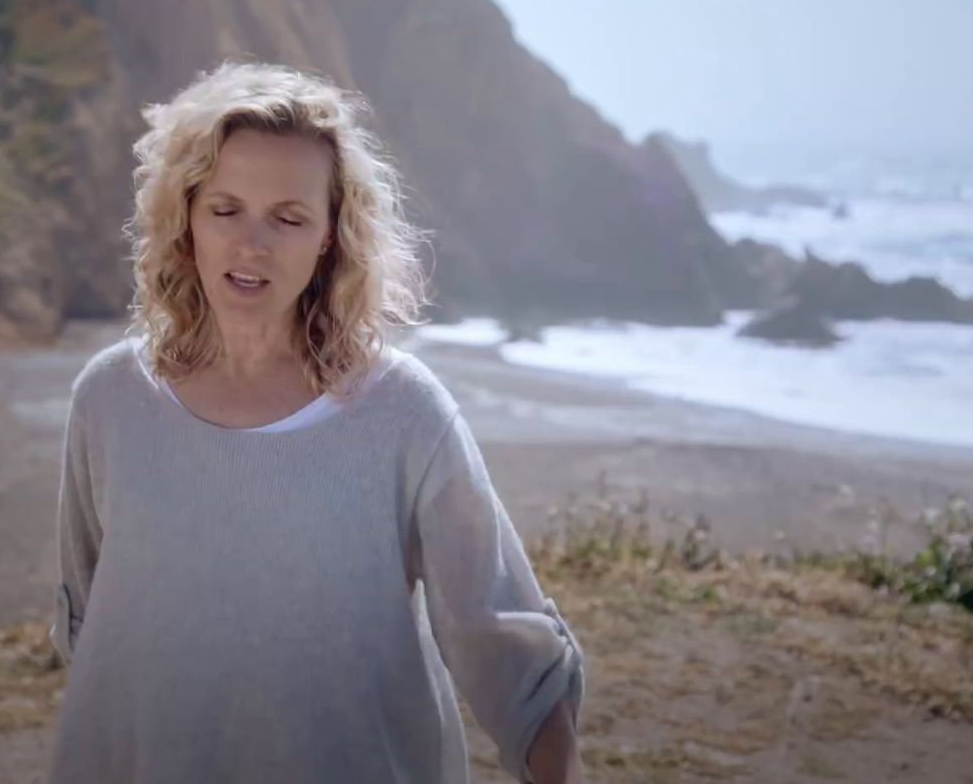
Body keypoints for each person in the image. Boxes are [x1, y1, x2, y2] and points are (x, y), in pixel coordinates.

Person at [48, 61, 585, 783]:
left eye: (289, 217)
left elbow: (502, 638)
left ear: (331, 234)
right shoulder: (109, 400)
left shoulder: (404, 413)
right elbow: (91, 625)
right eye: (225, 208)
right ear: (186, 218)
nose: (251, 244)